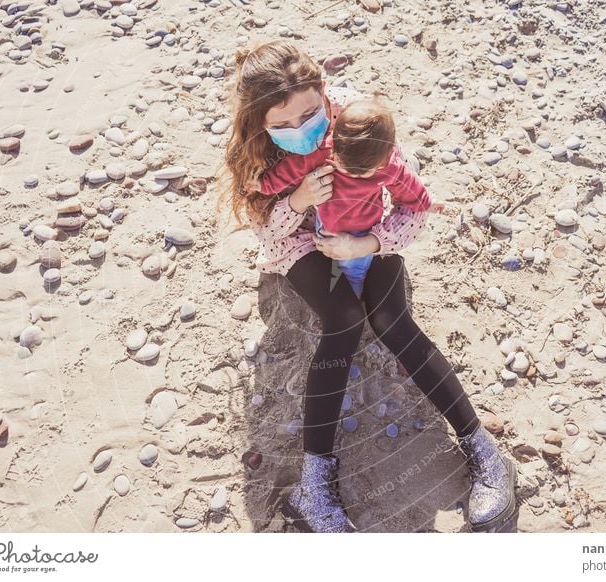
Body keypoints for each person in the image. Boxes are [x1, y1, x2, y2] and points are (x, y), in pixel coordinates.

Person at [218, 39, 516, 533]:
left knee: (391, 321)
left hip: (366, 234)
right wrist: (296, 202)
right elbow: (268, 234)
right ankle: (314, 487)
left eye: (310, 114)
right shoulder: (257, 150)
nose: (300, 131)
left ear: (324, 91)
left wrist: (370, 245)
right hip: (301, 243)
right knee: (344, 321)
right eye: (283, 125)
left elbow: (411, 204)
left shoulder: (357, 124)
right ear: (259, 122)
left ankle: (484, 448)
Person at [251, 96, 432, 298]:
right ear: (334, 145)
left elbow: (410, 187)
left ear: (382, 161)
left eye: (363, 173)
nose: (353, 175)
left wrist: (427, 202)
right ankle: (333, 279)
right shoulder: (324, 151)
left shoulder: (388, 166)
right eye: (345, 166)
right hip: (325, 223)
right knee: (328, 258)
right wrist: (264, 184)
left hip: (362, 231)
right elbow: (291, 169)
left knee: (353, 270)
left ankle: (353, 293)